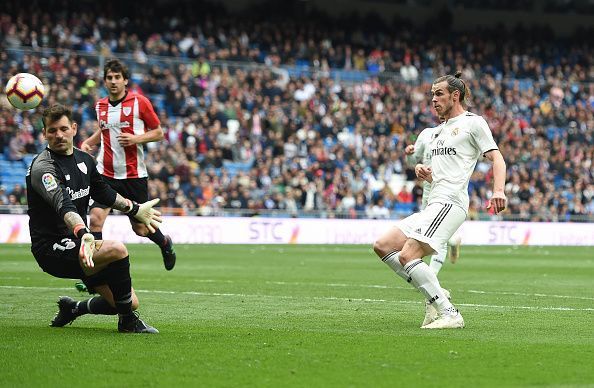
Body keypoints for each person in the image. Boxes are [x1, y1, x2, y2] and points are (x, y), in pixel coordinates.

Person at [373, 71, 507, 329]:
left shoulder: (473, 123)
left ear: (455, 96)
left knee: (408, 254)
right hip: (433, 201)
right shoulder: (435, 133)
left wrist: (498, 190)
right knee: (383, 245)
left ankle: (450, 313)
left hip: (450, 202)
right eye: (432, 95)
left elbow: (497, 158)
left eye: (439, 94)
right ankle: (436, 292)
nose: (433, 100)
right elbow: (435, 170)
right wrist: (422, 171)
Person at [27, 104, 161, 333]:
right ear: (44, 134)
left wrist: (134, 209)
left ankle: (74, 308)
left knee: (125, 301)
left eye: (63, 128)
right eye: (52, 131)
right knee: (117, 249)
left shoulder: (85, 161)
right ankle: (128, 323)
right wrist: (84, 233)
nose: (58, 135)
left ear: (74, 128)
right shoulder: (44, 168)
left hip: (83, 246)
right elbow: (63, 205)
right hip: (52, 249)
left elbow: (105, 193)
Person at [81, 58, 176, 270]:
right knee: (95, 220)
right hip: (105, 174)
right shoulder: (100, 105)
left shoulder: (140, 102)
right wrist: (89, 141)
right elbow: (105, 130)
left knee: (141, 229)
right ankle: (96, 272)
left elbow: (159, 133)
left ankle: (165, 243)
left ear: (125, 80)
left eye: (117, 77)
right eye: (109, 78)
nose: (113, 81)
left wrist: (135, 139)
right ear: (105, 81)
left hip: (134, 176)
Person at [404, 116, 463, 326]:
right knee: (419, 242)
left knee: (435, 240)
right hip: (428, 194)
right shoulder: (426, 135)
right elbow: (414, 162)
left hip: (447, 194)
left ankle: (434, 289)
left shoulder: (460, 132)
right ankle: (436, 287)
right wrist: (411, 157)